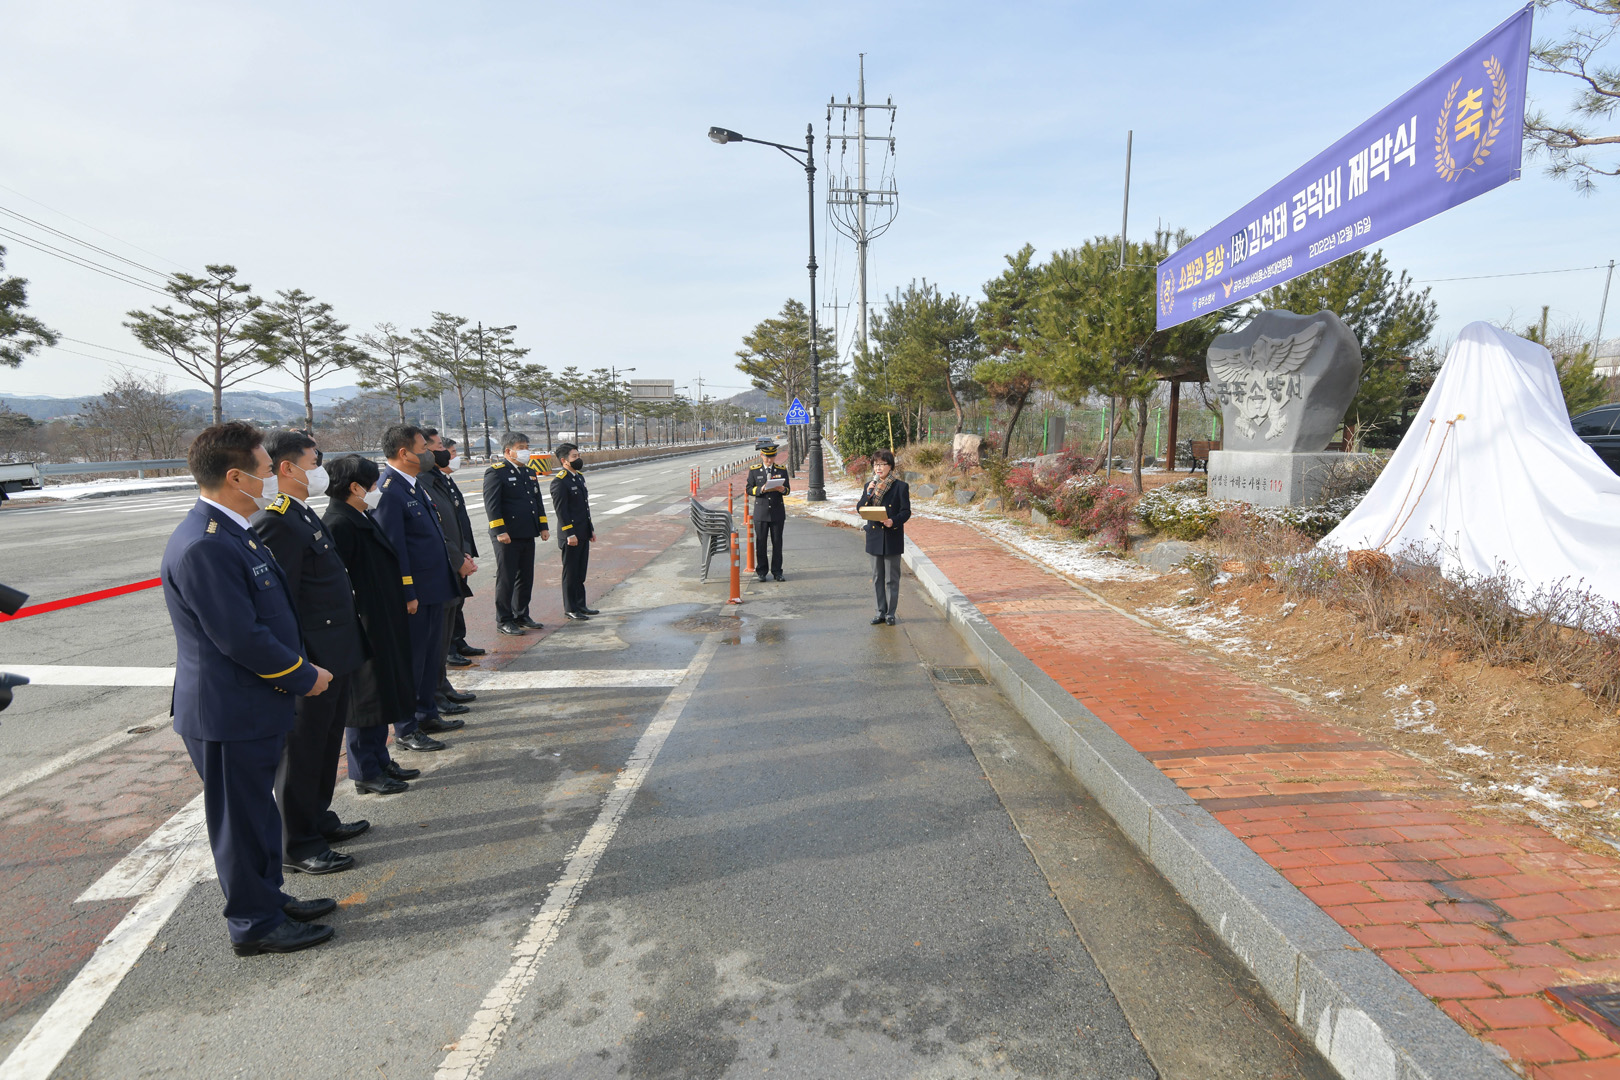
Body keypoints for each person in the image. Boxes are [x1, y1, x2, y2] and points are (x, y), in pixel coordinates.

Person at [159, 422, 336, 956]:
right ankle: (255, 925)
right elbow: (240, 636)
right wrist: (303, 675)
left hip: (251, 704)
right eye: (264, 471)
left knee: (258, 814)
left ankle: (269, 900)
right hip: (228, 710)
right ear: (236, 477)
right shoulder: (205, 545)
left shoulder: (234, 530)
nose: (272, 478)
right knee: (239, 823)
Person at [250, 430, 368, 877]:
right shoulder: (277, 520)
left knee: (324, 744)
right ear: (287, 468)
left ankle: (318, 819)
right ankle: (296, 842)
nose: (320, 469)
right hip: (314, 656)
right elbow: (281, 604)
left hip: (336, 650)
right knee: (302, 751)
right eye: (314, 461)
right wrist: (300, 663)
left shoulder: (300, 512)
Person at [321, 455, 420, 796]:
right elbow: (339, 584)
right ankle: (365, 770)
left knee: (382, 693)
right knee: (364, 699)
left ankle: (380, 758)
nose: (377, 490)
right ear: (355, 487)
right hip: (363, 623)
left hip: (380, 619)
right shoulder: (338, 523)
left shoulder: (358, 515)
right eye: (373, 484)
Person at [372, 424, 458, 750]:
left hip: (433, 588)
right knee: (412, 661)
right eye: (423, 448)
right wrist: (407, 592)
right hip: (416, 594)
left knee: (429, 657)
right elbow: (395, 550)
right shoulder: (389, 491)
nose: (428, 454)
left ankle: (426, 713)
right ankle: (406, 728)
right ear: (404, 453)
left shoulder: (412, 485)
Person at [420, 430, 478, 718]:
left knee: (443, 638)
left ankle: (442, 687)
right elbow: (434, 531)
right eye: (438, 446)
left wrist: (464, 554)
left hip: (452, 564)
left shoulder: (438, 479)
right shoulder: (421, 483)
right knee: (433, 642)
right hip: (438, 570)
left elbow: (456, 521)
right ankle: (433, 695)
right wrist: (457, 560)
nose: (444, 451)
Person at [483, 432, 550, 635]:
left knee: (525, 576)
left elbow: (536, 501)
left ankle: (521, 614)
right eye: (521, 448)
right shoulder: (496, 472)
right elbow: (492, 506)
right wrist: (500, 531)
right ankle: (504, 619)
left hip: (527, 531)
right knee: (507, 577)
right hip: (507, 535)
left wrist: (543, 526)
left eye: (526, 447)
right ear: (508, 451)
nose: (525, 451)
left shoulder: (529, 472)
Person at [856, 448, 911, 626]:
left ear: (890, 466)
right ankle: (879, 612)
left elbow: (906, 511)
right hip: (874, 536)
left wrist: (893, 521)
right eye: (875, 464)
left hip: (892, 536)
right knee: (877, 577)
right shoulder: (869, 486)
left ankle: (890, 614)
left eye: (882, 464)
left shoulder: (900, 487)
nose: (878, 468)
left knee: (891, 579)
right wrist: (868, 494)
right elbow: (860, 508)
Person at [549, 442, 597, 620]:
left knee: (580, 572)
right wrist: (570, 533)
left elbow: (584, 508)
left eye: (578, 455)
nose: (578, 459)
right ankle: (570, 608)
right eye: (574, 456)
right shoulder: (560, 482)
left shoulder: (578, 477)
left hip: (582, 532)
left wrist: (590, 529)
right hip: (571, 535)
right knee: (570, 573)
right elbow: (561, 511)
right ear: (564, 460)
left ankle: (581, 605)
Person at [746, 440, 791, 582]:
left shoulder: (781, 469)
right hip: (761, 512)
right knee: (761, 543)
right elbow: (749, 489)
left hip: (777, 511)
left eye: (772, 457)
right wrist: (761, 489)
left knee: (777, 543)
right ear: (761, 455)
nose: (769, 460)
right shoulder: (754, 470)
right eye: (767, 457)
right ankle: (762, 571)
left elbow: (788, 490)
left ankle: (777, 571)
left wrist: (782, 489)